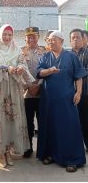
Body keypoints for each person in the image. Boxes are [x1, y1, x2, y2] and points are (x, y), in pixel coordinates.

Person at [0, 24, 33, 168]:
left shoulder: (16, 49)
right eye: (4, 34)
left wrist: (21, 67)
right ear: (0, 35)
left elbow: (22, 63)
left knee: (11, 120)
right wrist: (6, 68)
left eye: (10, 35)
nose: (7, 37)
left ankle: (9, 151)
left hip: (13, 88)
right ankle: (0, 153)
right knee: (0, 119)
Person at [37, 30, 87, 172]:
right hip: (49, 100)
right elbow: (39, 72)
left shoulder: (71, 56)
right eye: (48, 40)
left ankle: (72, 159)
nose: (50, 42)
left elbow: (79, 76)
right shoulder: (45, 56)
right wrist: (49, 71)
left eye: (53, 40)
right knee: (50, 127)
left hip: (67, 99)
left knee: (69, 128)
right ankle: (51, 154)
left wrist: (78, 92)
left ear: (61, 41)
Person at [21, 27, 47, 158]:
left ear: (38, 37)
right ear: (25, 38)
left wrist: (39, 85)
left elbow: (48, 69)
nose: (31, 39)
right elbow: (20, 73)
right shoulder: (20, 52)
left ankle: (43, 149)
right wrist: (29, 86)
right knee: (27, 122)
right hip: (27, 93)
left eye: (34, 36)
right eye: (28, 37)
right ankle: (28, 147)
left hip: (42, 93)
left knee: (42, 121)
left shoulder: (45, 51)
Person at [70, 29, 88, 153]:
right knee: (72, 121)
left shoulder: (87, 52)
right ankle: (75, 146)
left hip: (86, 93)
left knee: (85, 120)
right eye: (73, 38)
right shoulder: (67, 54)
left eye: (78, 37)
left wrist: (78, 74)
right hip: (70, 94)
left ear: (83, 39)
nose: (75, 39)